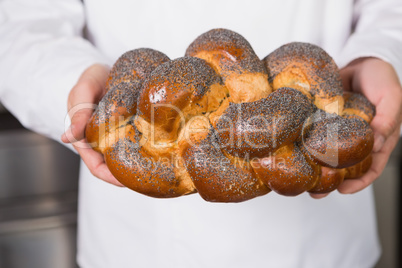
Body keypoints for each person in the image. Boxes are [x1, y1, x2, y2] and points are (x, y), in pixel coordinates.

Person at [0, 0, 401, 267]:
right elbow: (18, 28)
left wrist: (382, 54)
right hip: (138, 240)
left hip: (320, 240)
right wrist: (73, 81)